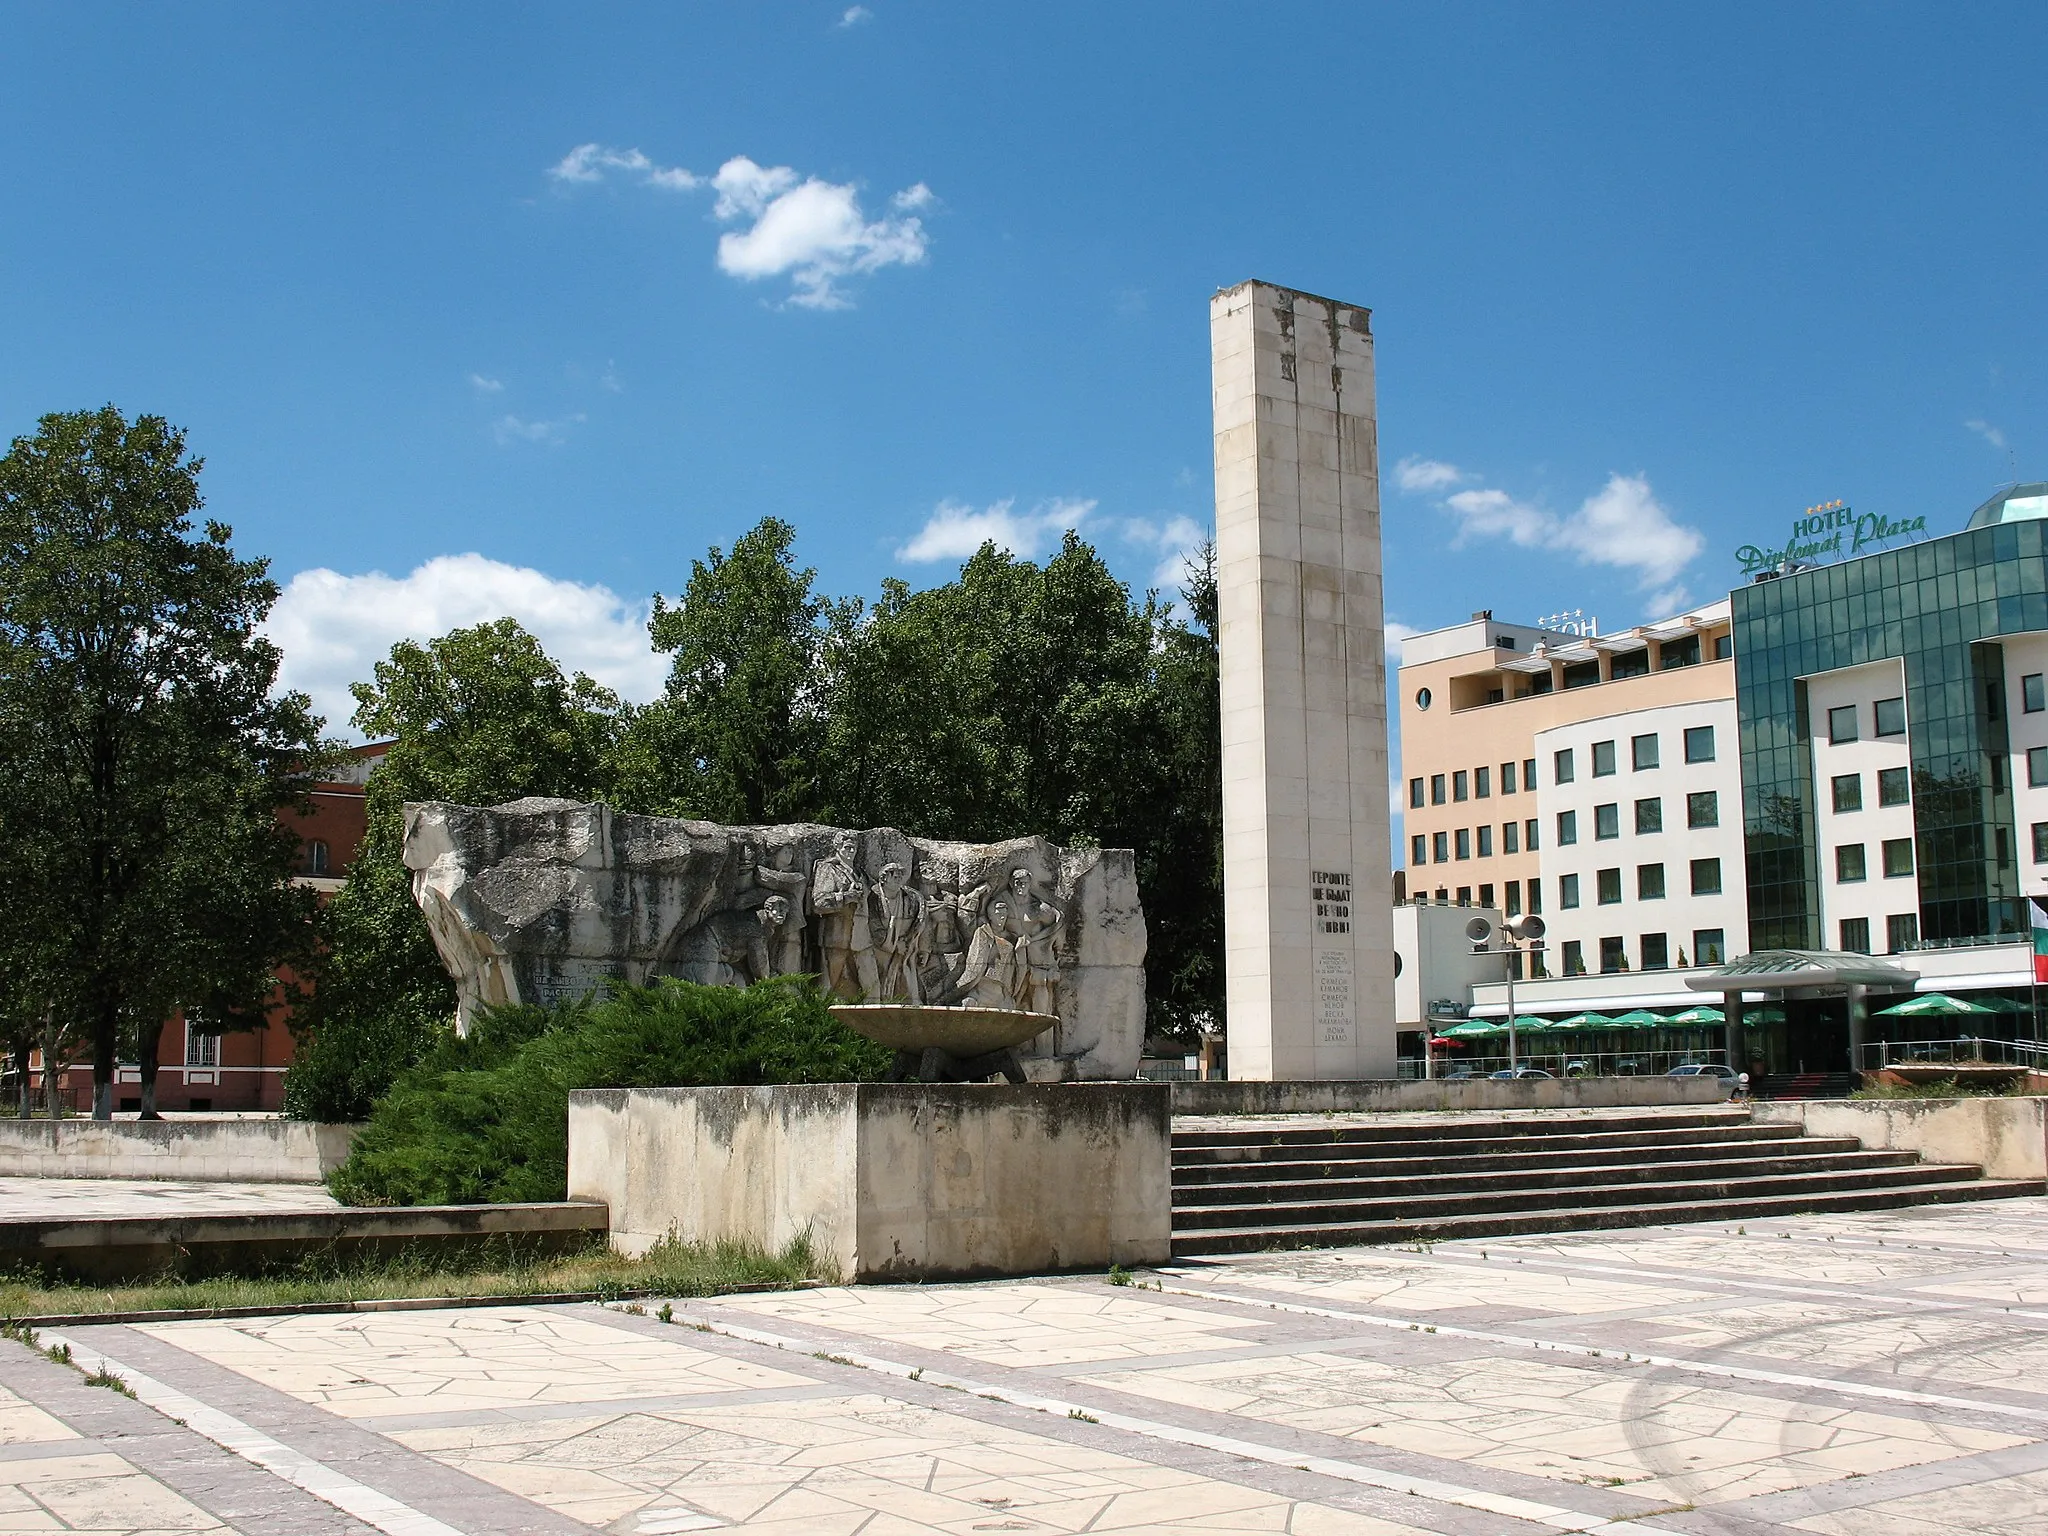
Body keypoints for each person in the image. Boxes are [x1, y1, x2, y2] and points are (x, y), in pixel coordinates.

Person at [810, 831, 877, 1000]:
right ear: (837, 847)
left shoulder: (861, 873)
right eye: (847, 847)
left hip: (861, 939)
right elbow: (818, 902)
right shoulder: (829, 868)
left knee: (868, 986)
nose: (851, 851)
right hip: (836, 936)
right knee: (828, 986)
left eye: (854, 847)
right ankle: (819, 1018)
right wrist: (846, 897)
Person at [1003, 868, 1064, 1016]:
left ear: (1030, 884)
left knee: (1041, 1009)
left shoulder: (1040, 909)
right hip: (1012, 962)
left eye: (1024, 883)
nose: (1020, 886)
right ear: (1011, 883)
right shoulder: (1004, 902)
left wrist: (1054, 956)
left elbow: (1056, 929)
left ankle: (1045, 1038)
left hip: (1038, 965)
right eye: (1017, 882)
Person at [946, 894, 1023, 1009]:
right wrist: (976, 893)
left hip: (1001, 992)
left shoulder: (1013, 938)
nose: (1002, 917)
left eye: (1004, 914)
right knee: (968, 1004)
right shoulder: (982, 932)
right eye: (998, 914)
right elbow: (965, 918)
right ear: (990, 915)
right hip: (980, 990)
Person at [868, 860, 926, 1002]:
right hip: (879, 950)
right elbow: (873, 926)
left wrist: (909, 943)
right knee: (878, 986)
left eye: (901, 876)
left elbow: (922, 922)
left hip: (906, 949)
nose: (899, 879)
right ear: (884, 879)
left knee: (908, 986)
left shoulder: (912, 897)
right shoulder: (873, 897)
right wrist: (893, 943)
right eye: (895, 876)